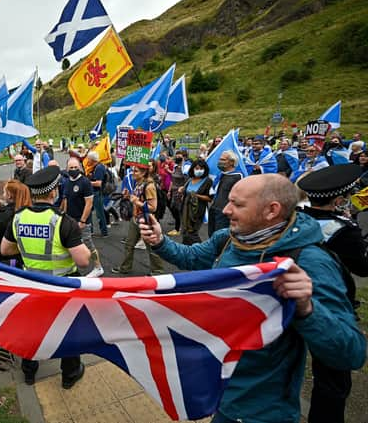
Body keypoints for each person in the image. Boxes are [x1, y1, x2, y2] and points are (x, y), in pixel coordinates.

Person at [139, 174, 366, 423]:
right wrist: (161, 241)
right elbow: (193, 257)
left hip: (259, 411)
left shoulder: (309, 262)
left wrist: (307, 309)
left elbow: (351, 353)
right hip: (216, 387)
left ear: (271, 210)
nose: (225, 209)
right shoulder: (229, 239)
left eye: (237, 204)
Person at [0, 166, 89, 388]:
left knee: (32, 330)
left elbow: (5, 250)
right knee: (69, 331)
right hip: (62, 288)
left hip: (32, 285)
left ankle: (29, 372)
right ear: (53, 192)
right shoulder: (63, 222)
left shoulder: (18, 218)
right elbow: (83, 261)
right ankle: (69, 375)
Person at [296, 164, 367, 423]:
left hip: (292, 295)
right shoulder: (345, 230)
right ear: (339, 199)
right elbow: (362, 267)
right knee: (333, 380)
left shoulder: (295, 216)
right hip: (330, 304)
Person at [111, 165, 164, 276]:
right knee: (129, 244)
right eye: (133, 171)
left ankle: (158, 271)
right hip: (135, 219)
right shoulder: (138, 183)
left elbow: (153, 207)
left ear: (144, 173)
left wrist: (136, 201)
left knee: (151, 246)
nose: (133, 173)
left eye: (136, 171)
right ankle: (125, 268)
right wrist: (128, 196)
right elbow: (138, 197)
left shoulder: (149, 186)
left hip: (146, 220)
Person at [61, 157, 104, 277]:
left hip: (82, 221)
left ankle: (98, 267)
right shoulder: (67, 182)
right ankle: (71, 266)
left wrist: (82, 220)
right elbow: (65, 200)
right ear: (67, 169)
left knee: (88, 243)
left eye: (75, 167)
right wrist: (63, 215)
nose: (73, 170)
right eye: (71, 168)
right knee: (69, 244)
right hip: (70, 220)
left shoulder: (84, 182)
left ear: (79, 168)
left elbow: (89, 203)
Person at [0, 180, 31, 266]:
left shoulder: (5, 215)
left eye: (4, 192)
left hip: (5, 259)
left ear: (9, 195)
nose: (3, 195)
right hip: (22, 257)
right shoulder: (27, 211)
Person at [208, 151, 244, 236]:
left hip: (224, 212)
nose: (220, 162)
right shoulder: (221, 175)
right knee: (211, 235)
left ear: (231, 162)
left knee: (220, 237)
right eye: (220, 159)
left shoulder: (237, 176)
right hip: (214, 208)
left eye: (223, 160)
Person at [179, 160, 212, 245]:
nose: (199, 170)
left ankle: (202, 250)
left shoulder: (207, 181)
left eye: (201, 168)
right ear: (193, 169)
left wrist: (196, 195)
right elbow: (186, 191)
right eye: (197, 168)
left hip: (197, 212)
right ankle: (186, 249)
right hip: (185, 210)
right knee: (185, 231)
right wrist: (182, 190)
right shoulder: (190, 179)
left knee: (192, 233)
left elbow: (209, 198)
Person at [86, 151, 108, 238]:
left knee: (99, 213)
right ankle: (90, 230)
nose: (88, 160)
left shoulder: (99, 168)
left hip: (97, 193)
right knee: (89, 212)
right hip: (94, 192)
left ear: (92, 159)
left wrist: (88, 182)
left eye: (89, 159)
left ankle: (104, 232)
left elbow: (98, 183)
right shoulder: (98, 166)